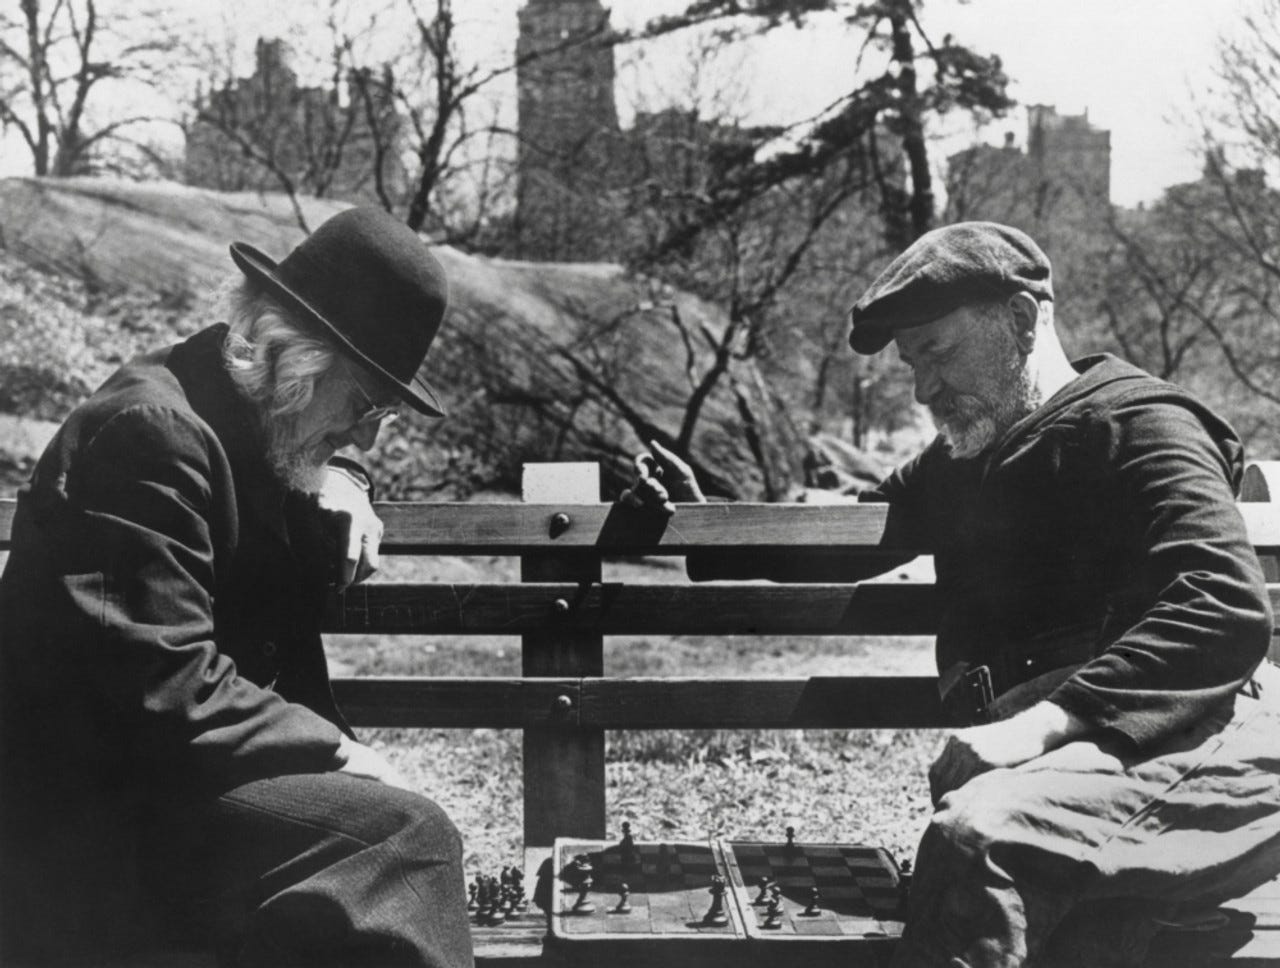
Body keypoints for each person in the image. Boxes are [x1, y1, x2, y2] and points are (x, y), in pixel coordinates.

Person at [623, 222, 1280, 967]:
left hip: (1194, 731)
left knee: (980, 838)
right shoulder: (965, 456)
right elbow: (849, 538)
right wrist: (703, 524)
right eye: (911, 363)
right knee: (1044, 907)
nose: (922, 387)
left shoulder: (1143, 425)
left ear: (1023, 321)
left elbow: (1220, 600)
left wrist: (1042, 724)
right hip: (1089, 767)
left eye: (935, 351)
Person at [0, 207, 474, 967]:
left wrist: (343, 475)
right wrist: (344, 756)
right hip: (91, 825)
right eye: (365, 406)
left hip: (165, 795)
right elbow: (163, 683)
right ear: (295, 360)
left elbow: (291, 482)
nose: (368, 435)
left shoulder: (246, 416)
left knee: (391, 845)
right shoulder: (151, 434)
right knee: (404, 837)